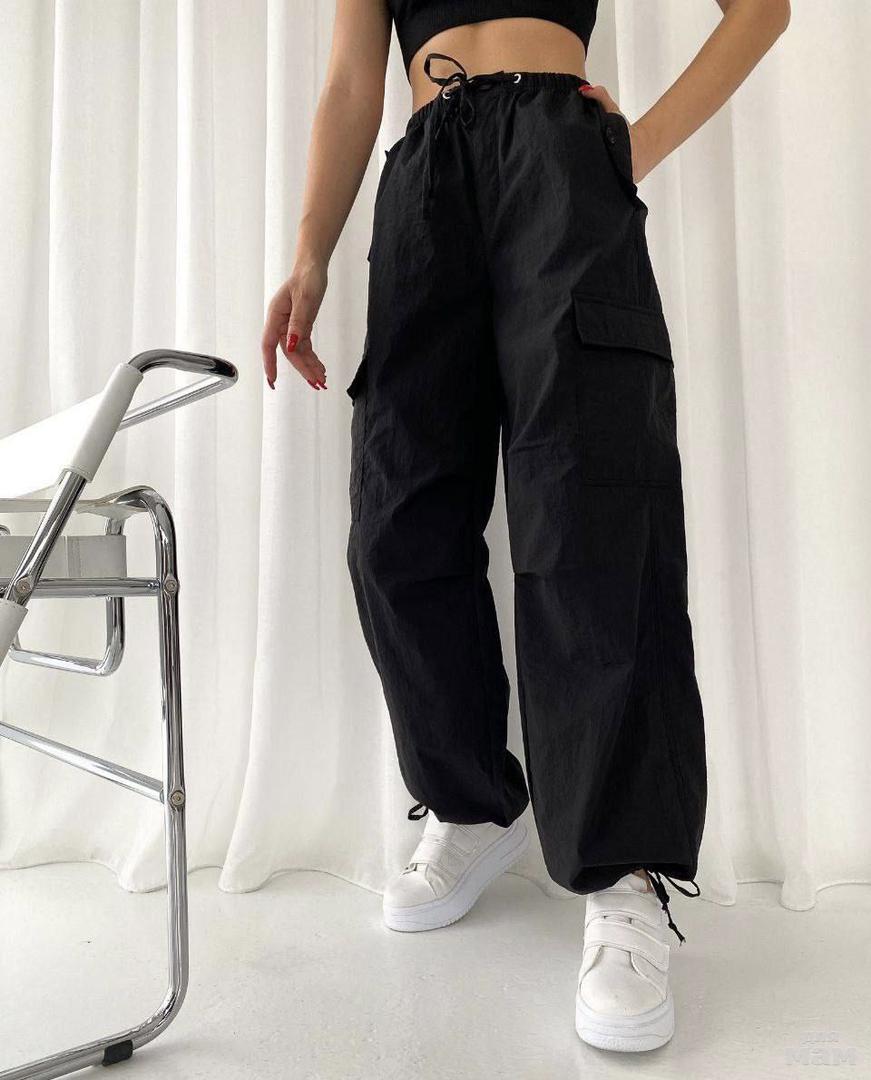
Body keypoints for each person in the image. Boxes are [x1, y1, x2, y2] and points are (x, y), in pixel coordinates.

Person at [261, 0, 790, 1053]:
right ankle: (472, 803)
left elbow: (761, 11)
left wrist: (625, 149)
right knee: (397, 523)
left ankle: (624, 873)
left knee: (590, 516)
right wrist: (311, 251)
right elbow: (353, 82)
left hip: (561, 157)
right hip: (425, 178)